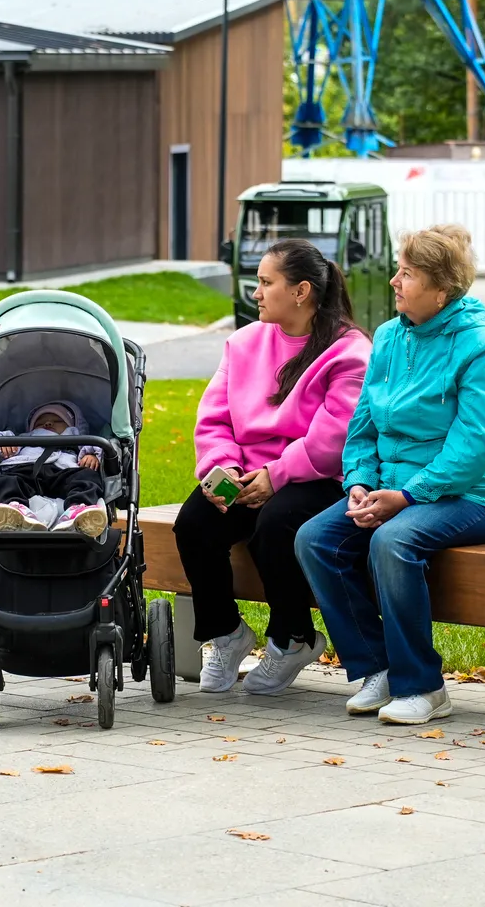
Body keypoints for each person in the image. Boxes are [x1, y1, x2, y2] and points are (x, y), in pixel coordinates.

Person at [294, 224, 485, 726]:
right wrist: (358, 482)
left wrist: (407, 495)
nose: (395, 281)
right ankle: (377, 668)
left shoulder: (481, 346)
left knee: (392, 542)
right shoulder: (393, 337)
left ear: (442, 291)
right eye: (399, 270)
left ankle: (423, 685)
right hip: (396, 489)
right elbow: (363, 425)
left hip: (479, 496)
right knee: (315, 538)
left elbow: (475, 447)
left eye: (408, 275)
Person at [181, 238, 371, 695]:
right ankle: (227, 635)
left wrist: (276, 475)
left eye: (266, 282)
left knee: (276, 523)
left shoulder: (348, 351)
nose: (257, 293)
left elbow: (334, 437)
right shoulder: (244, 342)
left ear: (301, 291)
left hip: (317, 477)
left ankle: (293, 639)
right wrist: (220, 468)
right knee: (193, 524)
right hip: (245, 473)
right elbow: (214, 416)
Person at [0, 401, 109, 537]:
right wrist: (5, 445)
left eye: (57, 420)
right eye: (40, 422)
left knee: (87, 477)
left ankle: (78, 509)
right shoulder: (24, 438)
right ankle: (13, 509)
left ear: (73, 426)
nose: (48, 424)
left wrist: (91, 456)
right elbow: (1, 444)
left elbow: (96, 448)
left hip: (64, 472)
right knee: (3, 481)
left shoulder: (78, 440)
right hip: (25, 470)